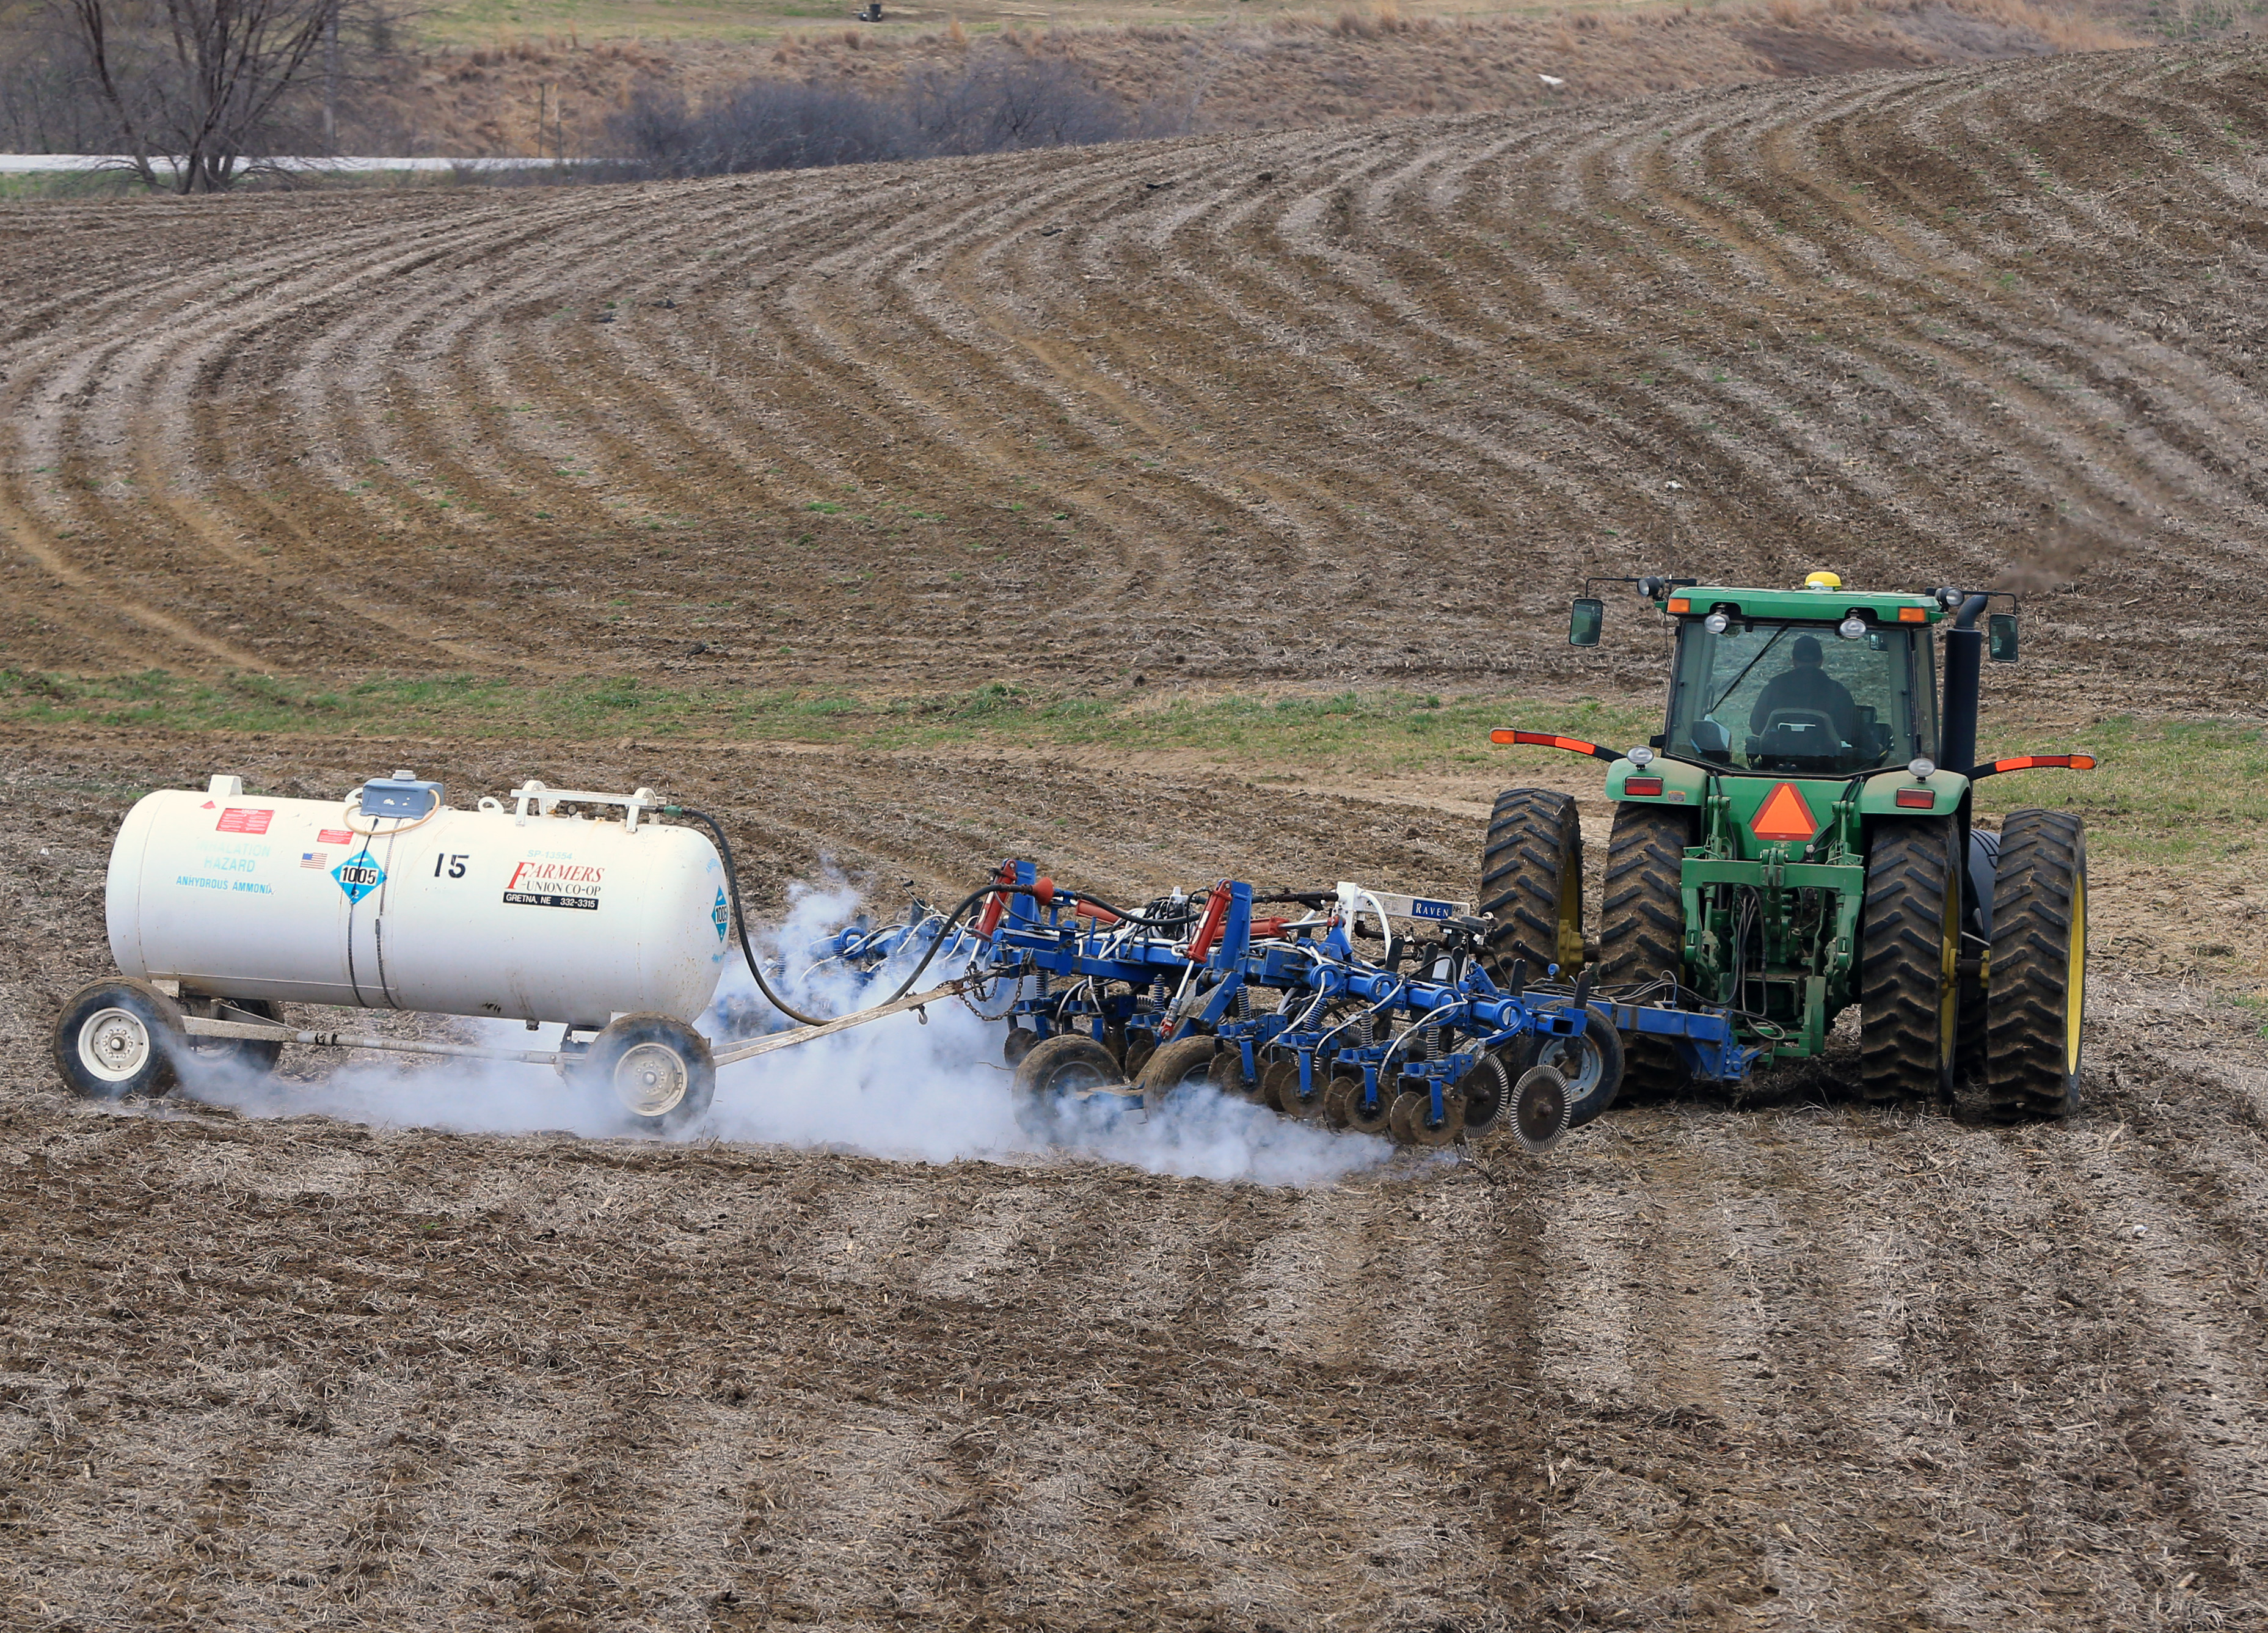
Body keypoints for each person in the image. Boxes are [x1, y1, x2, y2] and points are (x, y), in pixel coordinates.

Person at [1749, 634, 1856, 747]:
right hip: (1827, 761)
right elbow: (1854, 733)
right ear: (1821, 661)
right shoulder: (1838, 692)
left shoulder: (1772, 689)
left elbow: (1757, 726)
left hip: (1775, 760)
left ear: (1794, 661)